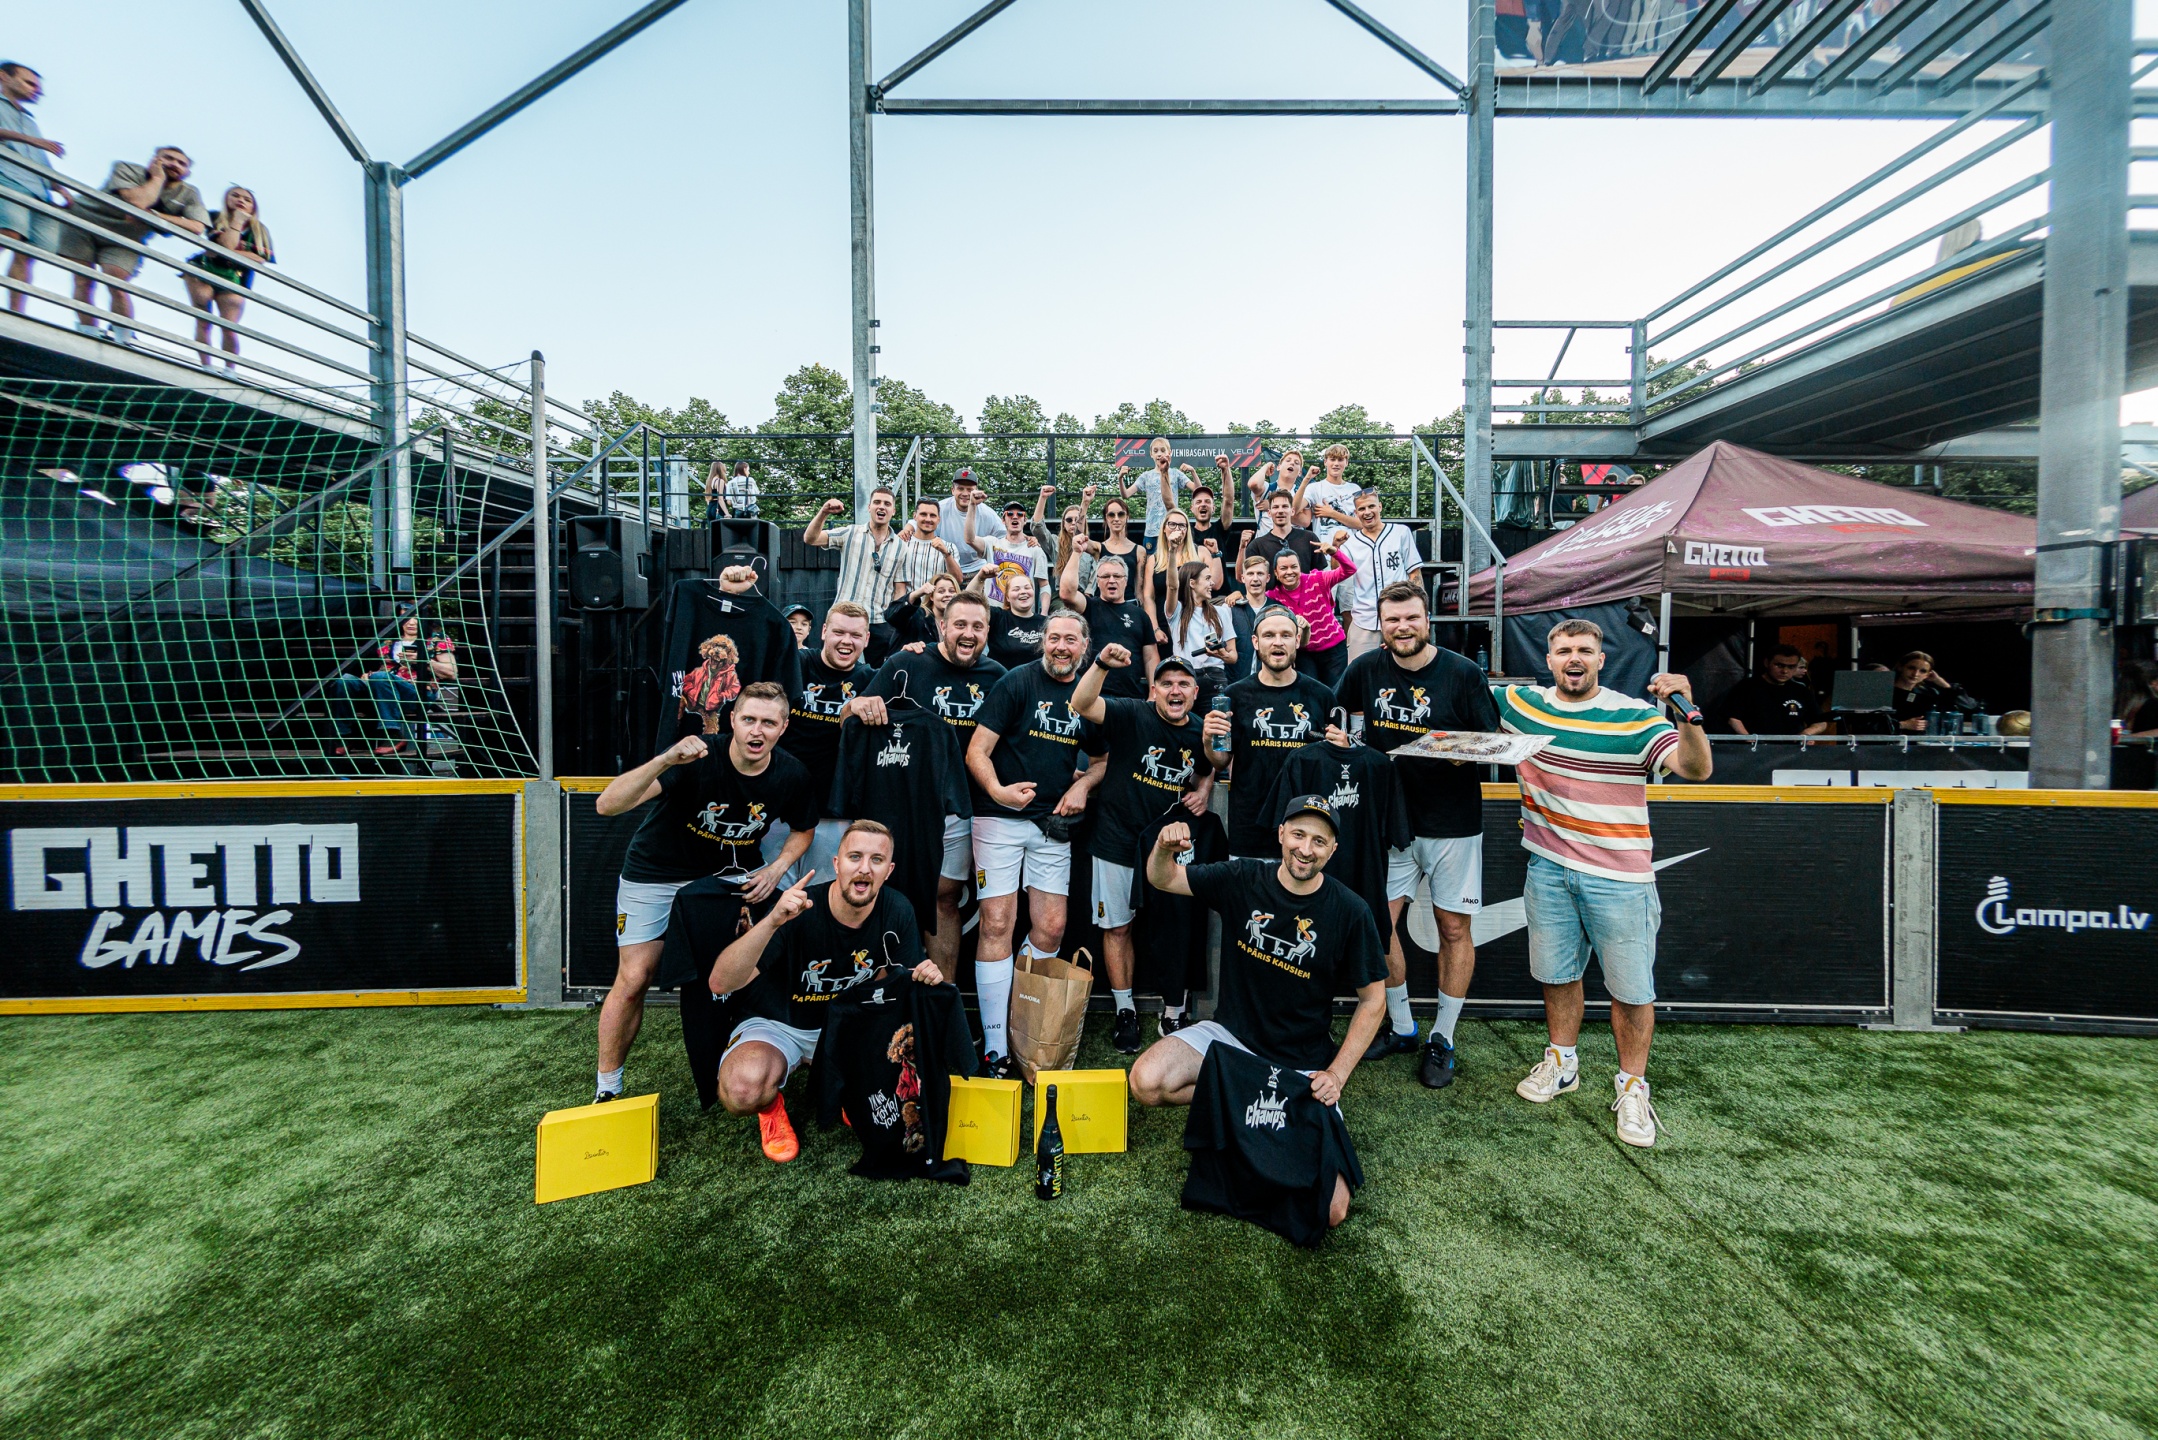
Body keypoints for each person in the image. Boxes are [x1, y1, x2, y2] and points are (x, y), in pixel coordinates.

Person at [1495, 618, 1712, 1149]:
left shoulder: (1635, 716)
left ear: (1600, 659)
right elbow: (1453, 690)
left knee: (1631, 990)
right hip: (1547, 866)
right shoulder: (1520, 705)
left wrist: (1688, 712)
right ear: (1549, 660)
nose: (1574, 658)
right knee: (1556, 974)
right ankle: (1562, 1062)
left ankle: (1632, 1087)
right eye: (1564, 650)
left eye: (1585, 650)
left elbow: (1696, 768)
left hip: (1620, 878)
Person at [1128, 797, 1387, 1231]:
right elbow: (1163, 878)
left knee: (1332, 1210)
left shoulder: (1349, 910)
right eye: (1299, 834)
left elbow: (1374, 1000)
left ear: (1333, 850)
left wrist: (1337, 1074)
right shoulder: (1243, 878)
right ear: (1281, 833)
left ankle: (1250, 1115)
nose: (1306, 849)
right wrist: (1162, 848)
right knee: (1146, 1081)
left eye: (1319, 841)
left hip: (1300, 1065)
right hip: (1231, 1040)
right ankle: (1243, 1109)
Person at [593, 681, 815, 1105]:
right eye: (749, 719)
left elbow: (803, 829)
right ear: (732, 720)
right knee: (635, 976)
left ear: (783, 727)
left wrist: (776, 869)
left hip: (727, 879)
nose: (757, 731)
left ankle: (755, 1059)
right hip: (657, 872)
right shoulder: (698, 757)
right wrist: (664, 759)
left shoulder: (791, 773)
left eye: (768, 723)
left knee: (753, 966)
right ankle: (608, 1087)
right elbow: (608, 805)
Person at [1332, 582, 1500, 1084]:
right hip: (1389, 821)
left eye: (1411, 618)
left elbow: (1490, 740)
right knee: (1377, 928)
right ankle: (1403, 1026)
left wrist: (1461, 752)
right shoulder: (1365, 669)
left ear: (1427, 620)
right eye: (1393, 620)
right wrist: (1344, 739)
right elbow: (1337, 717)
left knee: (1453, 929)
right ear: (1381, 625)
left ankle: (1443, 1038)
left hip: (1453, 821)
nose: (1402, 627)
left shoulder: (1463, 672)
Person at [706, 820, 943, 1162]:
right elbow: (720, 983)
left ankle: (851, 1089)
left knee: (915, 1047)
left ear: (888, 871)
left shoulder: (897, 908)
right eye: (855, 857)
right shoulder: (800, 908)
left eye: (876, 860)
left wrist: (925, 976)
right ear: (837, 864)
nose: (864, 868)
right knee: (743, 1091)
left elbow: (902, 986)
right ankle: (771, 1109)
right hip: (780, 1024)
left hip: (847, 1026)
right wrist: (772, 921)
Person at [965, 611, 1105, 1073]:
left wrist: (1083, 787)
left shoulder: (1088, 695)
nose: (1061, 646)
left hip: (1052, 825)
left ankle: (1020, 1021)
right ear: (1042, 642)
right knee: (996, 923)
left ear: (1084, 647)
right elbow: (977, 751)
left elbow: (1102, 761)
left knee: (1052, 928)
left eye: (1070, 639)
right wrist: (998, 791)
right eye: (1054, 638)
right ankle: (995, 1047)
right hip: (999, 817)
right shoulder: (1016, 682)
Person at [1069, 647, 1214, 1053]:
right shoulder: (1132, 713)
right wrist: (1101, 664)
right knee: (1117, 927)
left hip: (1166, 847)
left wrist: (1204, 787)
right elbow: (1082, 703)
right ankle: (1125, 1010)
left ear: (1195, 692)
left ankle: (1174, 1011)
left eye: (1183, 683)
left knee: (1175, 929)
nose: (1174, 690)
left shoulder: (1201, 730)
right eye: (1166, 683)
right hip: (1117, 838)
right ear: (1153, 691)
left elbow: (1214, 763)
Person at [857, 590, 1006, 976]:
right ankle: (886, 995)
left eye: (977, 626)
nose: (968, 633)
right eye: (960, 624)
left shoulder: (997, 677)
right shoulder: (906, 662)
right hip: (902, 805)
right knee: (890, 896)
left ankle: (942, 996)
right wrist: (857, 705)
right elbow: (849, 715)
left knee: (945, 898)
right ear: (941, 626)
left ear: (988, 631)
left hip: (960, 807)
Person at [1213, 605, 1334, 858]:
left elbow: (1332, 763)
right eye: (1269, 635)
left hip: (1305, 830)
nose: (1277, 642)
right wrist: (1208, 740)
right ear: (1255, 642)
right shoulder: (1234, 695)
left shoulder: (1321, 696)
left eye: (1285, 635)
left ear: (1297, 641)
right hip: (1249, 826)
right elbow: (1220, 760)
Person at [61, 146, 209, 341]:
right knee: (83, 279)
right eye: (168, 158)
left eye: (181, 163)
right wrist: (158, 178)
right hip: (85, 222)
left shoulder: (189, 193)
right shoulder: (127, 168)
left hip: (125, 239)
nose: (174, 164)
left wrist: (156, 215)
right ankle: (88, 331)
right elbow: (137, 202)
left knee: (117, 280)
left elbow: (197, 226)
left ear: (187, 172)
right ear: (154, 160)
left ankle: (123, 336)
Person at [781, 601, 875, 881]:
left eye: (856, 635)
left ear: (867, 639)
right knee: (770, 893)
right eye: (839, 632)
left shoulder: (872, 681)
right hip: (780, 810)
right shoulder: (796, 665)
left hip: (834, 816)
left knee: (821, 893)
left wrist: (916, 651)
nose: (847, 641)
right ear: (823, 632)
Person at [327, 610, 457, 758]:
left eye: (416, 618)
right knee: (345, 680)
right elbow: (384, 671)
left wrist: (422, 661)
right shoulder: (388, 641)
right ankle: (343, 736)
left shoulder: (436, 640)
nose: (411, 622)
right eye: (406, 617)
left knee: (381, 678)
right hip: (383, 691)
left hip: (418, 692)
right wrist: (370, 676)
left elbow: (451, 672)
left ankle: (392, 734)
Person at [182, 186, 273, 370]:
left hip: (235, 278)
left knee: (229, 327)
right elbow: (226, 245)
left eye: (247, 199)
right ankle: (206, 366)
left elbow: (260, 258)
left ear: (253, 207)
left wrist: (228, 251)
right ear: (226, 198)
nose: (241, 200)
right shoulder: (215, 217)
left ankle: (230, 370)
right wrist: (237, 222)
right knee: (203, 320)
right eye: (235, 196)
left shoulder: (259, 230)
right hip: (203, 269)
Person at [0, 62, 63, 316]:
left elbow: (39, 157)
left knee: (30, 252)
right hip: (8, 178)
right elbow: (33, 145)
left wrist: (58, 187)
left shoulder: (29, 120)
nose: (37, 91)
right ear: (3, 77)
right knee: (8, 235)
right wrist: (32, 140)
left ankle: (17, 313)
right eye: (30, 83)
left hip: (38, 191)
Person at [1335, 489, 1423, 661]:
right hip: (1364, 619)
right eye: (1361, 509)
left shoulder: (1400, 532)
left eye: (1371, 506)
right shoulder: (1351, 543)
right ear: (1356, 513)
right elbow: (1338, 571)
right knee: (1359, 671)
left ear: (1380, 507)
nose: (1367, 512)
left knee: (1407, 667)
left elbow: (1414, 573)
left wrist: (1419, 610)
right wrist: (1336, 548)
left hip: (1400, 617)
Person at [1266, 537, 1356, 689]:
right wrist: (1235, 595)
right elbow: (1253, 598)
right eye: (1283, 568)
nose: (1289, 572)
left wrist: (1334, 552)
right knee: (1309, 692)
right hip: (1303, 653)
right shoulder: (1273, 595)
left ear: (1300, 567)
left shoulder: (1317, 579)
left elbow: (1350, 570)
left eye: (1294, 567)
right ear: (1275, 572)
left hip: (1333, 648)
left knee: (1336, 692)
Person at [803, 486, 908, 614]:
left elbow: (900, 590)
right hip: (844, 616)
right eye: (877, 502)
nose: (881, 507)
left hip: (879, 619)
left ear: (893, 511)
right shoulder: (850, 533)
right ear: (869, 507)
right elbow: (810, 539)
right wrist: (824, 513)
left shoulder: (901, 547)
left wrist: (896, 618)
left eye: (887, 504)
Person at [1162, 559, 1235, 706]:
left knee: (1217, 720)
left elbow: (1233, 656)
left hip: (1215, 677)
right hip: (1185, 675)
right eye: (1207, 578)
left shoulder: (1222, 612)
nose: (1212, 583)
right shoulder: (1177, 611)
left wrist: (1222, 654)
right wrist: (1172, 552)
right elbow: (1172, 586)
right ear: (1192, 583)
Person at [1722, 645, 1828, 736]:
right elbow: (1733, 718)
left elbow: (1820, 722)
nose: (1785, 671)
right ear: (1767, 663)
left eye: (1791, 667)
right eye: (1779, 665)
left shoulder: (1801, 690)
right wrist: (1748, 740)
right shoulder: (1747, 686)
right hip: (1755, 749)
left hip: (1792, 750)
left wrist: (1806, 734)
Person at [969, 497, 1051, 610]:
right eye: (1010, 514)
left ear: (1025, 520)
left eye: (1020, 514)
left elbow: (1044, 585)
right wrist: (972, 505)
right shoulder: (992, 543)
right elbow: (969, 539)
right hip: (995, 612)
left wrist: (1044, 614)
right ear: (1003, 520)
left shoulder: (1035, 549)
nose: (1015, 516)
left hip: (1023, 613)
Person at [1122, 436, 1197, 541]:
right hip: (1152, 530)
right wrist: (1120, 478)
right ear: (1151, 454)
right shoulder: (1146, 476)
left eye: (1163, 450)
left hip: (1172, 528)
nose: (1159, 454)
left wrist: (1193, 472)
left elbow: (1197, 490)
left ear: (1169, 453)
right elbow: (1126, 494)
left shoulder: (1175, 473)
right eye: (1155, 451)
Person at [1220, 550, 1272, 685]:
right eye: (1250, 574)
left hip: (1269, 682)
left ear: (1268, 578)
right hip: (1236, 682)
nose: (1255, 578)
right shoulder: (1230, 608)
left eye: (1260, 573)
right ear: (1243, 578)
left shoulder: (1276, 609)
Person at [1295, 443, 1361, 547]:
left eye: (1340, 460)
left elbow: (1361, 524)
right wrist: (1306, 479)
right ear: (1325, 462)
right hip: (1324, 550)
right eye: (1332, 459)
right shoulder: (1314, 488)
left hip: (1351, 550)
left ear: (1346, 462)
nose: (1336, 463)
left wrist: (1332, 513)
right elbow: (1294, 509)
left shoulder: (1355, 489)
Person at [1893, 651, 1975, 732]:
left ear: (1928, 675)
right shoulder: (1887, 690)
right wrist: (1902, 725)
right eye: (1911, 668)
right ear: (1901, 667)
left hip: (1919, 739)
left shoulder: (1927, 694)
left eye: (1923, 671)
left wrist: (1942, 682)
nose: (1915, 674)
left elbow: (1968, 706)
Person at [1247, 487, 1321, 577]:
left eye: (1285, 506)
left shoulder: (1309, 539)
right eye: (1275, 507)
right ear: (1269, 512)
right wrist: (1241, 548)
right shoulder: (1257, 545)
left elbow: (1319, 575)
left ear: (1292, 511)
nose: (1280, 511)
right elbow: (1244, 576)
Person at [984, 562, 1047, 668]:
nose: (1023, 592)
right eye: (1016, 589)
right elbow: (970, 604)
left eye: (1027, 588)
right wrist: (980, 578)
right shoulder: (998, 616)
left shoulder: (1046, 622)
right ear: (1007, 597)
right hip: (1003, 676)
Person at [936, 468, 990, 583]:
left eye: (970, 489)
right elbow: (918, 522)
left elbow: (1004, 536)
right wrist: (907, 528)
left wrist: (1026, 538)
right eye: (960, 488)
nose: (965, 493)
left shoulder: (986, 513)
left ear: (976, 491)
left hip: (977, 569)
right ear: (953, 490)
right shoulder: (940, 508)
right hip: (948, 568)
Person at [885, 571, 958, 652]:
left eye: (952, 591)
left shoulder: (959, 620)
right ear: (931, 597)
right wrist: (916, 594)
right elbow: (891, 616)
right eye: (941, 591)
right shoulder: (917, 615)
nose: (947, 594)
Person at [1187, 483, 1230, 561]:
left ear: (1213, 508)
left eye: (1207, 501)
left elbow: (1228, 501)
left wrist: (1226, 474)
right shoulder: (1186, 531)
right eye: (1198, 502)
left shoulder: (1220, 528)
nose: (1203, 504)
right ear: (1192, 508)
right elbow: (1170, 508)